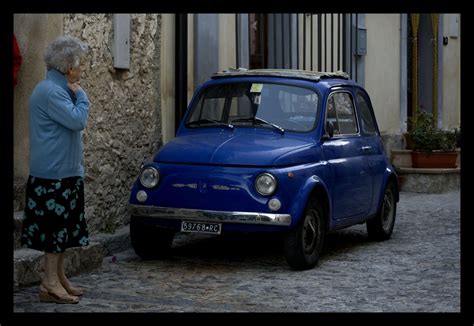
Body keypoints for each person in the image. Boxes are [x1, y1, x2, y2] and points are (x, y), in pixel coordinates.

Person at [21, 36, 90, 304]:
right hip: (52, 176)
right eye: (80, 64)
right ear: (69, 67)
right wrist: (82, 95)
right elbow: (77, 120)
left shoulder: (59, 89)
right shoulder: (51, 91)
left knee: (63, 231)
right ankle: (48, 283)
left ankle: (58, 277)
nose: (82, 68)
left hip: (64, 173)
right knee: (53, 233)